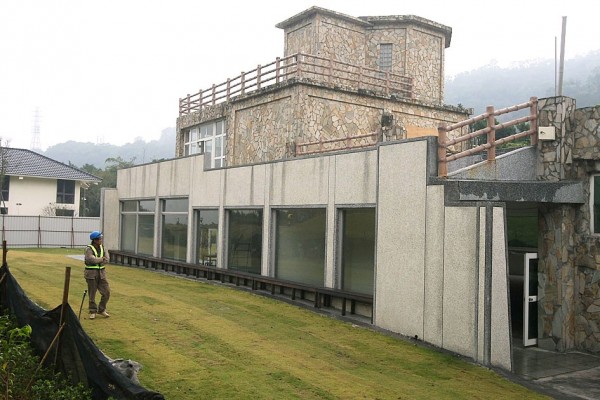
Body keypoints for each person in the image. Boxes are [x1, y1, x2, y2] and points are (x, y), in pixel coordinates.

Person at [84, 230, 111, 320]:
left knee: (106, 292)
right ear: (95, 240)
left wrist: (100, 259)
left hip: (102, 274)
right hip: (91, 274)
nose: (101, 240)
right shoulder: (89, 249)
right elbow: (91, 260)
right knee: (92, 294)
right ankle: (92, 311)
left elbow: (107, 259)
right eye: (100, 239)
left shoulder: (104, 248)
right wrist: (101, 259)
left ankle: (101, 310)